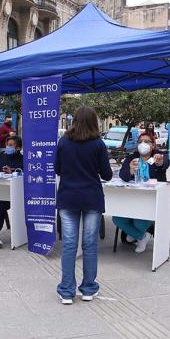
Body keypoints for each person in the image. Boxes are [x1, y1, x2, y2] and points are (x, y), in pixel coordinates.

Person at [55, 106, 112, 305]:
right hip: (91, 198)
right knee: (89, 244)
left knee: (69, 245)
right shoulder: (98, 144)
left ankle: (66, 291)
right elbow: (107, 175)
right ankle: (88, 288)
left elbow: (57, 169)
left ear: (75, 121)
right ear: (94, 122)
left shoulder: (64, 142)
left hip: (68, 197)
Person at [112, 132, 168, 252]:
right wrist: (130, 170)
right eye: (140, 141)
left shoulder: (158, 156)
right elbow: (123, 175)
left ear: (153, 145)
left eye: (146, 141)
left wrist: (160, 162)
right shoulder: (132, 158)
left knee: (139, 222)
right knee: (117, 219)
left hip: (151, 200)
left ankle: (136, 234)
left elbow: (164, 163)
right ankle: (142, 236)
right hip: (132, 198)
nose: (143, 144)